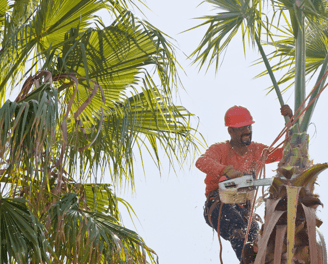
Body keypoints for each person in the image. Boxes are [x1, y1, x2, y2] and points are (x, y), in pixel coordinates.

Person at [195, 105, 293, 262]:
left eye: (249, 126)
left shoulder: (257, 151)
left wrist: (290, 122)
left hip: (244, 211)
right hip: (219, 205)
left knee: (258, 239)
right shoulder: (220, 150)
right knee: (239, 231)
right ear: (230, 131)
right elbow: (201, 162)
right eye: (241, 128)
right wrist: (225, 170)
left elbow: (286, 152)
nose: (247, 131)